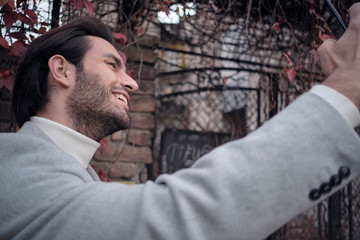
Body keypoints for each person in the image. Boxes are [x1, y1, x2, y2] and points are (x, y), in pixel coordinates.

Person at [0, 3, 360, 239]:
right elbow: (166, 221)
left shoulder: (74, 179)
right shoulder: (10, 163)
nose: (132, 81)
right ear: (61, 70)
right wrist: (343, 92)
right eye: (112, 65)